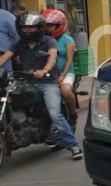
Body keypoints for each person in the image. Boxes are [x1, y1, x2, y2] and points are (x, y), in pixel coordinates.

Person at [0, 12, 82, 160]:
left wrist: (44, 70)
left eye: (31, 28)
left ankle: (74, 146)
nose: (27, 30)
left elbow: (52, 57)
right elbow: (5, 56)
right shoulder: (19, 44)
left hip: (47, 83)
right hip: (25, 83)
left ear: (39, 28)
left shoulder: (49, 41)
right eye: (24, 27)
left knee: (55, 114)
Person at [42, 9, 77, 121]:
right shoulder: (42, 40)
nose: (47, 28)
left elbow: (69, 59)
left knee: (66, 91)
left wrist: (62, 76)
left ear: (58, 26)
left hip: (66, 72)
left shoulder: (68, 40)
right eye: (45, 25)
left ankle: (73, 112)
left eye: (50, 26)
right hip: (48, 72)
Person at [0, 5, 20, 73]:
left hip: (4, 56)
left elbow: (17, 35)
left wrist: (17, 52)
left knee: (5, 79)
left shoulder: (6, 15)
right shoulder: (7, 15)